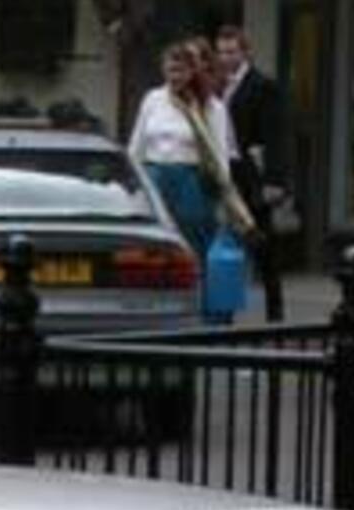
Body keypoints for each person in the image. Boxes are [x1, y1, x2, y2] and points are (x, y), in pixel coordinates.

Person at [127, 42, 247, 314]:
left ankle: (205, 311)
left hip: (192, 182)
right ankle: (161, 310)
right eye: (169, 69)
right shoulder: (153, 99)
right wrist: (134, 184)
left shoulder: (211, 106)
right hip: (157, 178)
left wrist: (224, 196)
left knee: (194, 248)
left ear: (193, 71)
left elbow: (219, 154)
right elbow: (137, 144)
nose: (174, 76)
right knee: (158, 249)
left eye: (180, 70)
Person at [213, 24, 293, 322]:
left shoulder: (263, 86)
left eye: (231, 51)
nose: (225, 57)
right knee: (225, 244)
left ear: (245, 52)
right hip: (225, 172)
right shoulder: (216, 85)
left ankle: (275, 313)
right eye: (221, 52)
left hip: (253, 175)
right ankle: (223, 312)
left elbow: (277, 136)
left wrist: (275, 180)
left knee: (263, 246)